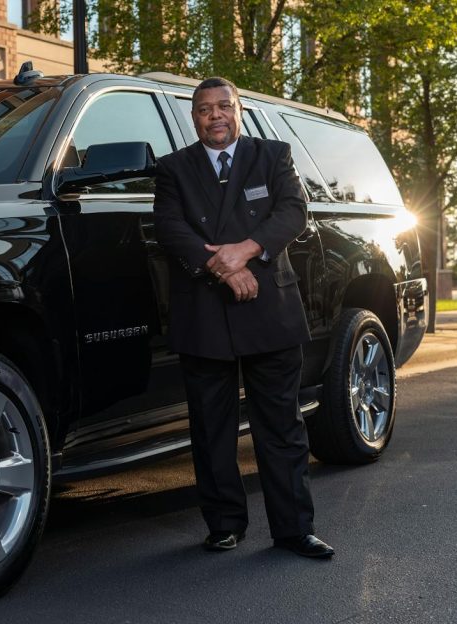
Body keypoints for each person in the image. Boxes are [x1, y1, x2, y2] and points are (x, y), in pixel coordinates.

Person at [152, 76, 334, 558]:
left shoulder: (272, 155)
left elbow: (292, 211)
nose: (215, 115)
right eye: (204, 109)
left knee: (281, 426)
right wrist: (225, 267)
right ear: (194, 117)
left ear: (239, 110)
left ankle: (294, 530)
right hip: (204, 313)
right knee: (211, 430)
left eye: (223, 106)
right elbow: (170, 228)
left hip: (269, 310)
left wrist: (246, 250)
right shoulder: (173, 168)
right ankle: (224, 525)